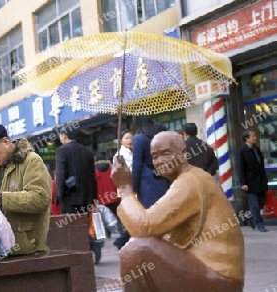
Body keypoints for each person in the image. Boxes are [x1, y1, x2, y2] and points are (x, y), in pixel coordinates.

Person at [111, 131, 244, 291]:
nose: (159, 161)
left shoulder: (190, 181)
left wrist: (125, 188)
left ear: (183, 154)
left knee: (135, 252)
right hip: (215, 274)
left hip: (219, 279)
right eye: (155, 156)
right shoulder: (190, 178)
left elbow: (143, 228)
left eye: (165, 153)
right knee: (138, 249)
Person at [0, 124, 51, 255]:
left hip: (29, 249)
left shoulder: (31, 160)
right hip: (5, 249)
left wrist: (1, 199)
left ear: (5, 141)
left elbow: (40, 198)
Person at [55, 126, 97, 214]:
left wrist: (59, 194)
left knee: (72, 226)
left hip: (70, 198)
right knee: (85, 225)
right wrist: (94, 197)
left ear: (64, 136)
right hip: (87, 198)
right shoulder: (87, 151)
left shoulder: (61, 151)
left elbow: (61, 174)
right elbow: (93, 176)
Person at [132, 115, 170, 208]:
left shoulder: (138, 138)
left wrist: (133, 187)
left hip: (147, 183)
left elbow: (137, 165)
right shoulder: (156, 136)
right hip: (162, 179)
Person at [237, 128, 268, 232]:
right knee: (254, 204)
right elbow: (240, 168)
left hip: (261, 180)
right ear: (247, 139)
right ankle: (260, 224)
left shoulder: (256, 149)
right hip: (250, 182)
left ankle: (249, 215)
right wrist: (243, 183)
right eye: (253, 136)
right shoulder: (241, 152)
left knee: (262, 201)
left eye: (255, 136)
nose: (255, 138)